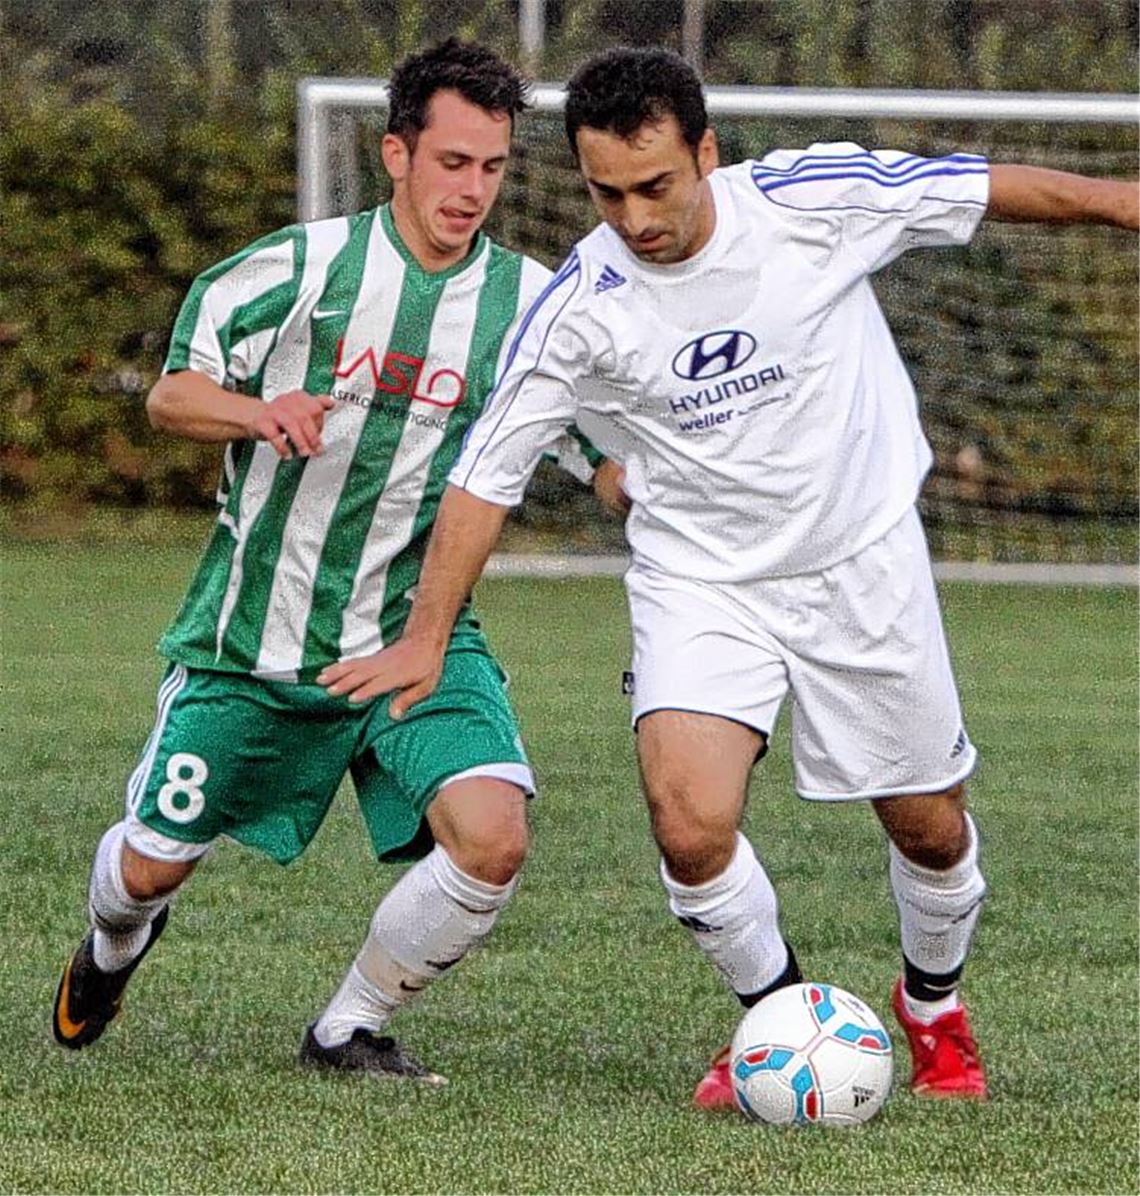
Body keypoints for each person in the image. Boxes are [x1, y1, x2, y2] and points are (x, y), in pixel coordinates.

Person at [319, 46, 1139, 1106]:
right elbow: (485, 481)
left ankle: (933, 1003)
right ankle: (777, 1017)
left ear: (706, 152)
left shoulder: (813, 200)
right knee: (689, 817)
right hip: (700, 577)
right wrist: (427, 634)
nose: (636, 216)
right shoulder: (581, 304)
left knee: (929, 824)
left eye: (656, 185)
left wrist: (1124, 203)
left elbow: (984, 184)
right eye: (608, 193)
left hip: (860, 559)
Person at [51, 37, 620, 1082]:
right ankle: (111, 946)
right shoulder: (297, 269)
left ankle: (344, 1027)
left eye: (492, 168)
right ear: (397, 153)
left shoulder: (535, 305)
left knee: (493, 835)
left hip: (417, 633)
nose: (473, 190)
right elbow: (172, 394)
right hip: (253, 645)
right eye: (453, 162)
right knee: (144, 870)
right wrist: (258, 410)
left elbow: (597, 455)